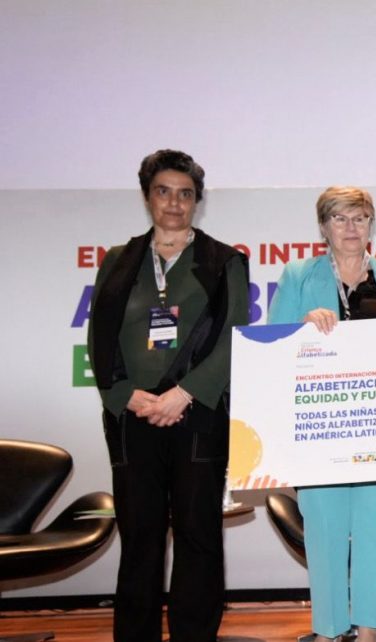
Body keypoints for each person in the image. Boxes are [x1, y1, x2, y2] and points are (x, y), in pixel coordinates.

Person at [88, 149, 249, 642]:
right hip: (132, 417)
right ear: (147, 197)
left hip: (197, 416)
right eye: (164, 192)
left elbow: (234, 336)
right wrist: (124, 395)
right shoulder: (119, 260)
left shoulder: (225, 261)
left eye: (185, 194)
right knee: (140, 539)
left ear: (197, 201)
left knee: (199, 536)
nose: (174, 203)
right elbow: (99, 336)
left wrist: (186, 393)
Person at [267, 186, 376, 642]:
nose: (351, 228)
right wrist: (300, 328)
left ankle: (369, 631)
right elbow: (270, 347)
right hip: (320, 431)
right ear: (323, 227)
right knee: (325, 530)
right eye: (340, 218)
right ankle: (329, 632)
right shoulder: (298, 276)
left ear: (371, 224)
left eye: (360, 218)